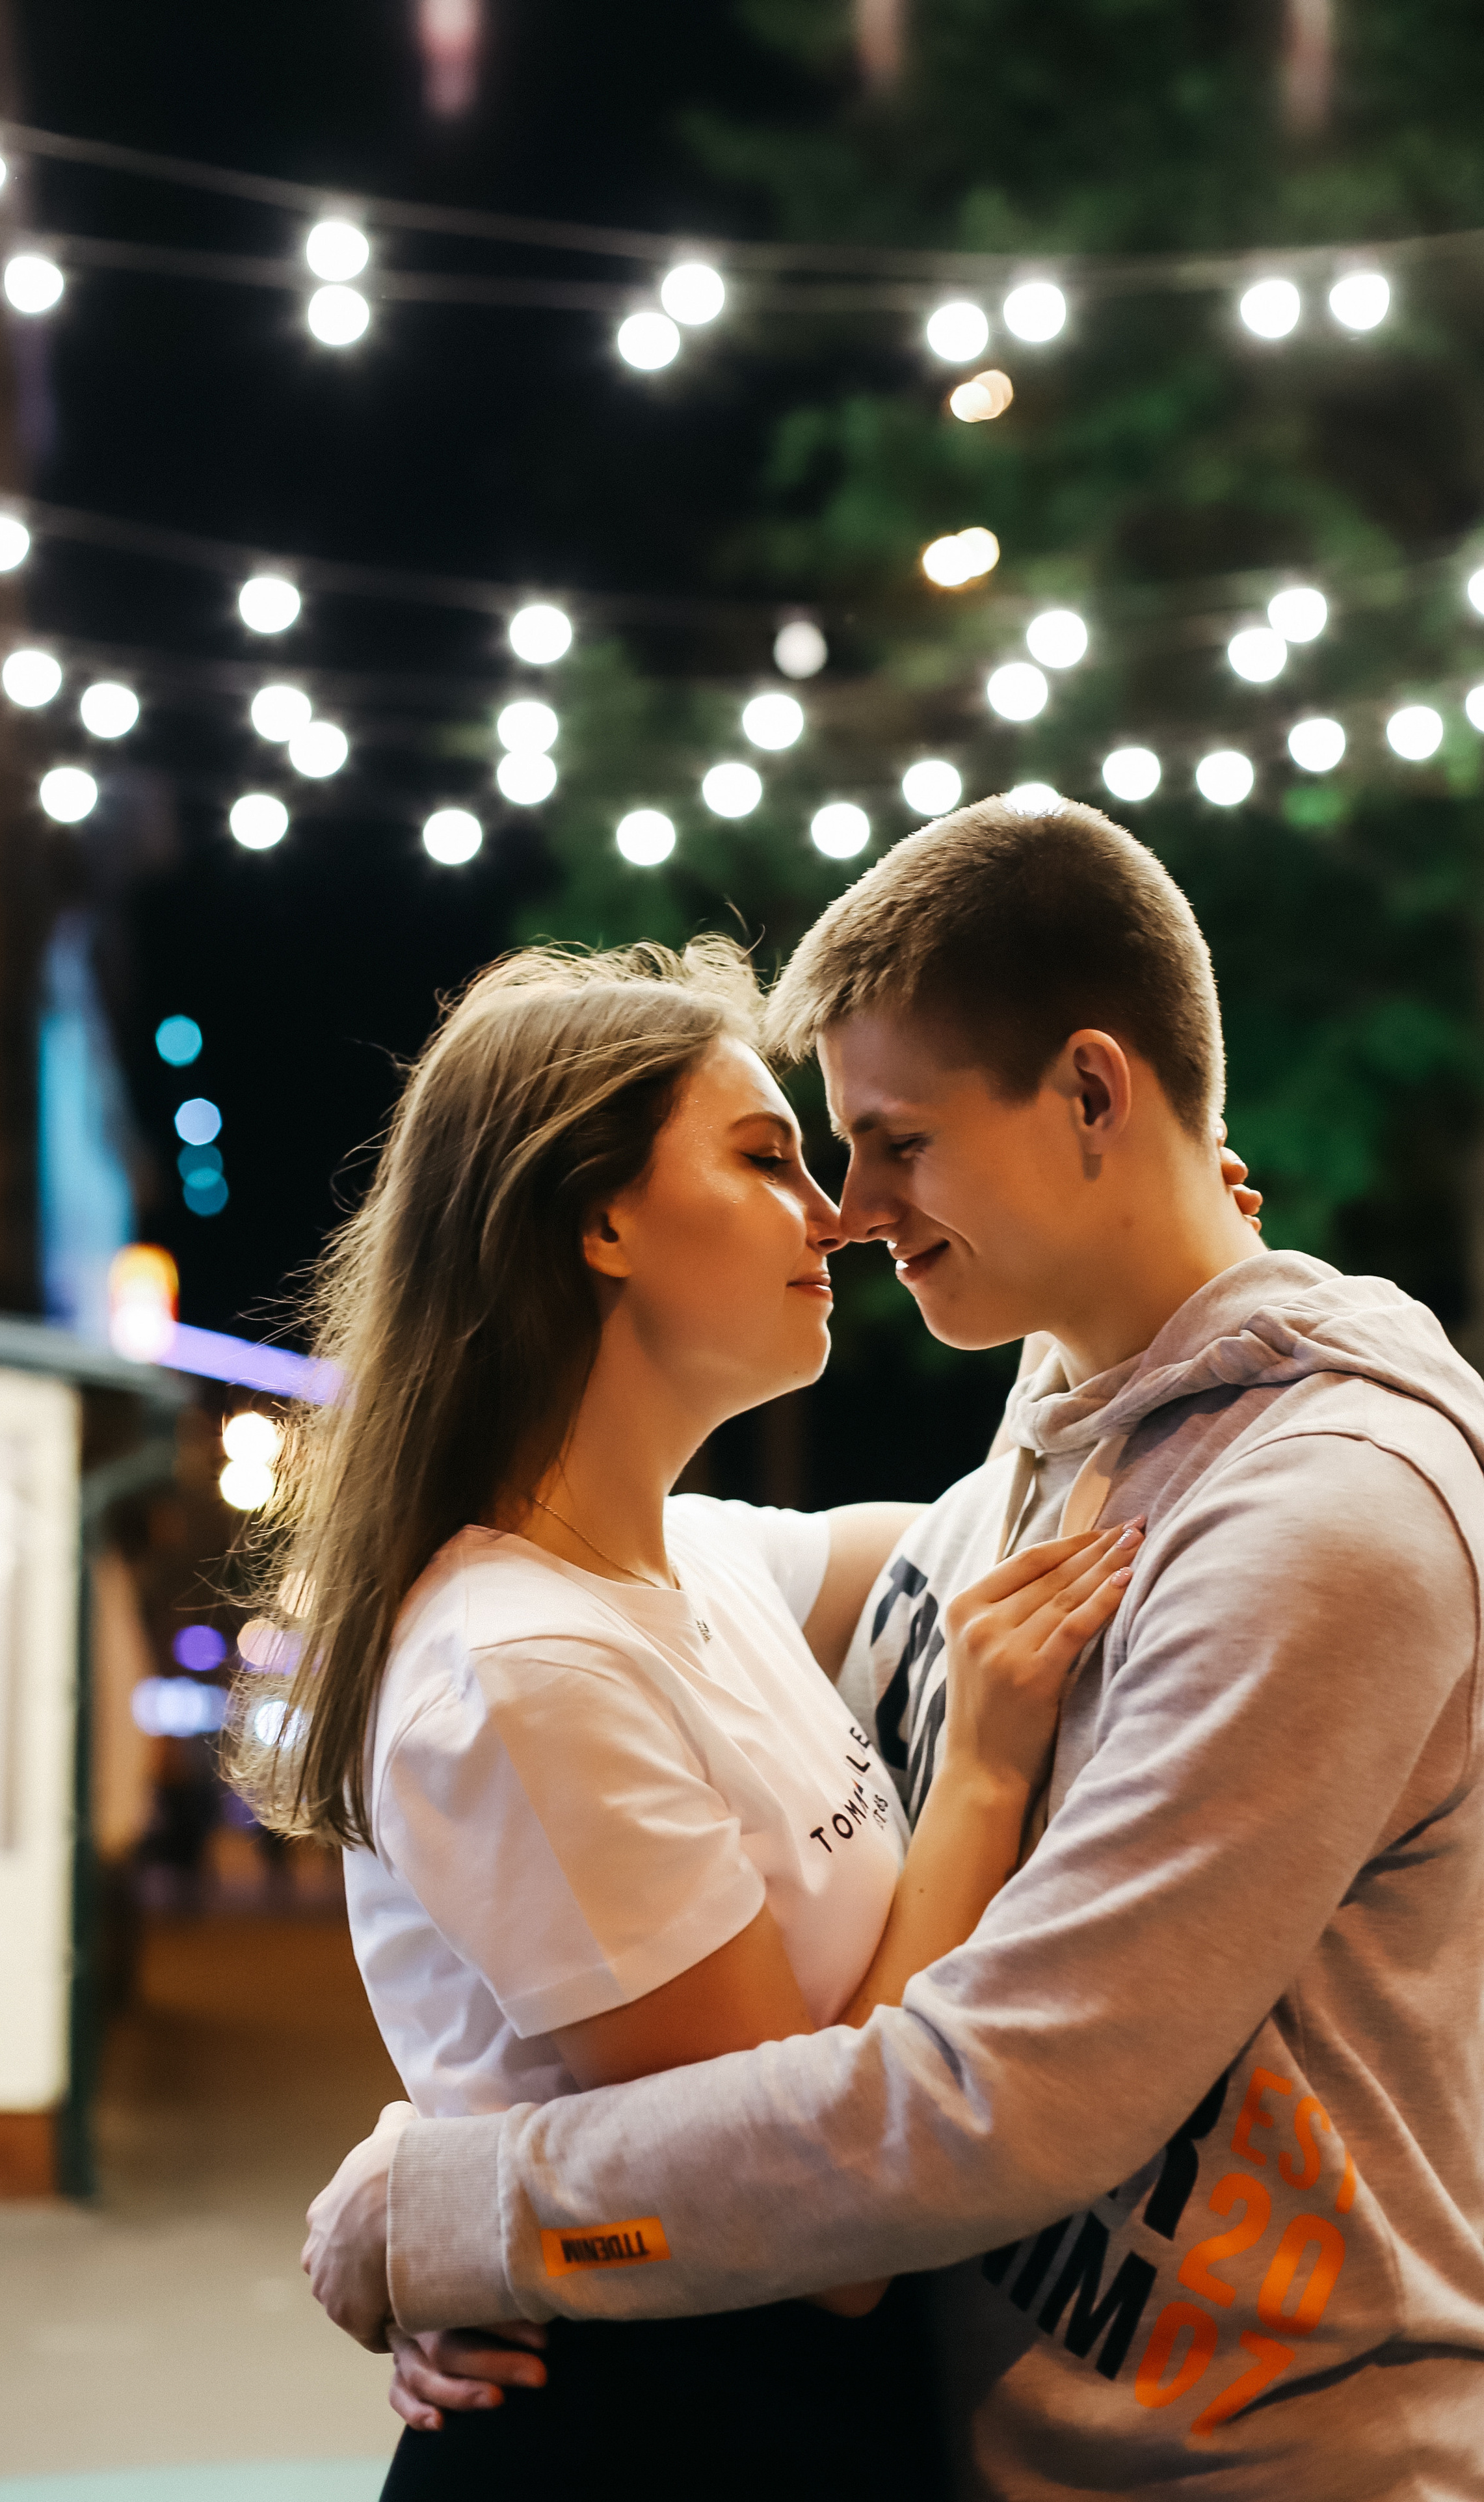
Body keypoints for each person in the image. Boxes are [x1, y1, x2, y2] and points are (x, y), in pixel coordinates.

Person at [302, 798, 1484, 2500]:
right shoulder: (1036, 1469)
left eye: (891, 1142)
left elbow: (985, 2100)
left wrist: (463, 2207)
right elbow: (578, 1744)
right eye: (794, 1153)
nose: (850, 1211)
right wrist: (494, 2167)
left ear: (1093, 1096)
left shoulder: (1322, 1522)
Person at [231, 935, 1150, 2492]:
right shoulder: (517, 1668)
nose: (834, 1212)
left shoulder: (699, 1561)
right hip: (659, 2438)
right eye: (764, 1157)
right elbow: (825, 2201)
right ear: (598, 1220)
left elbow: (1017, 1523)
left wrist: (1133, 1279)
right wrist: (982, 1773)